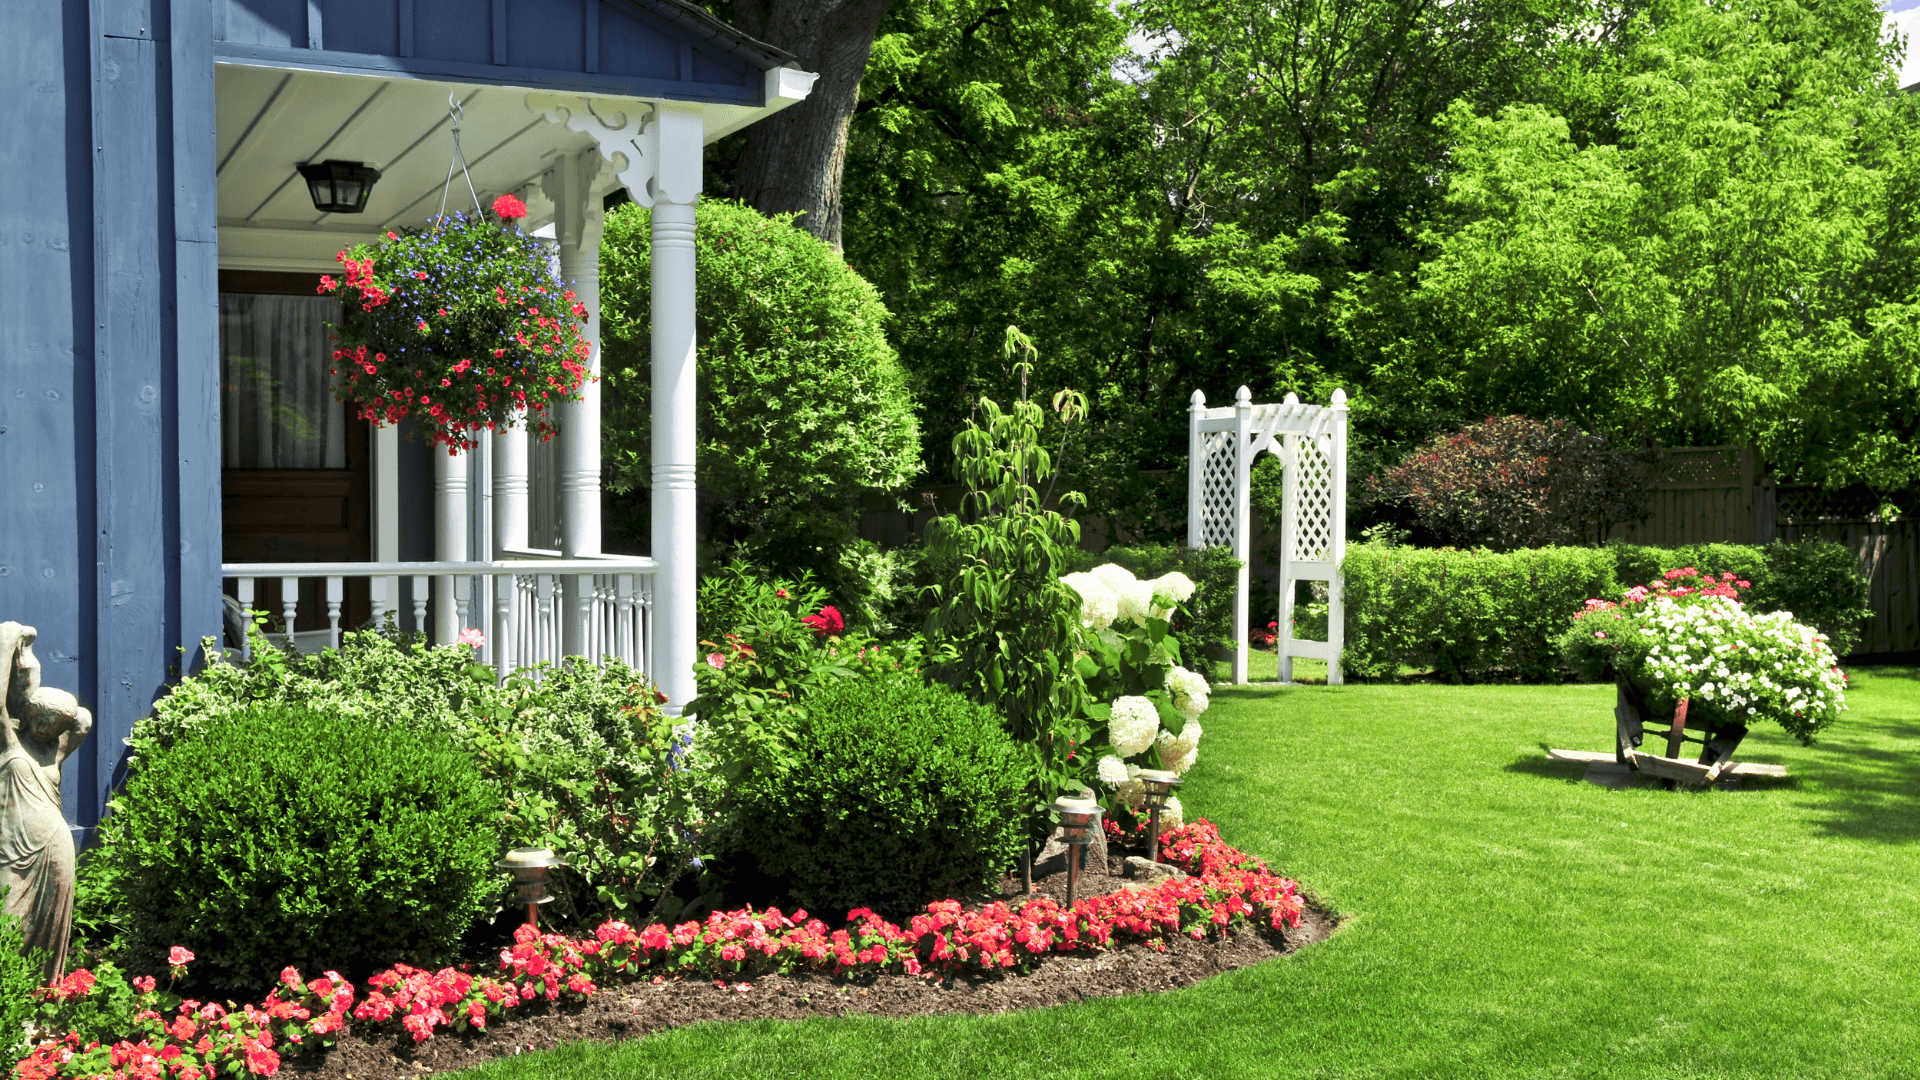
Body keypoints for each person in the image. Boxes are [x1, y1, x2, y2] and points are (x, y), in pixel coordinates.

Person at [0, 622, 91, 982]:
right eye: (40, 721)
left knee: (48, 931)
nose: (43, 730)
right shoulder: (11, 743)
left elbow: (82, 721)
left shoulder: (55, 752)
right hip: (14, 851)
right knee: (8, 922)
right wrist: (9, 644)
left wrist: (58, 711)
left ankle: (39, 1007)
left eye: (52, 726)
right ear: (29, 715)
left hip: (54, 847)